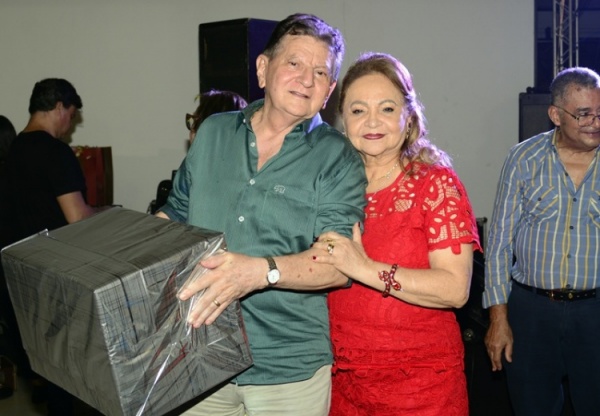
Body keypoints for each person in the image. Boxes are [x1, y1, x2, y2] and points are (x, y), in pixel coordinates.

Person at [157, 13, 366, 416]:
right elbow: (175, 214)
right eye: (294, 63)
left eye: (320, 72)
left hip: (287, 368)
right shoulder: (213, 132)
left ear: (329, 91)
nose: (306, 80)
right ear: (263, 68)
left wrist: (260, 272)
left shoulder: (337, 156)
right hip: (199, 354)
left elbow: (339, 264)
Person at [312, 52, 481, 416]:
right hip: (342, 383)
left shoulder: (435, 184)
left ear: (409, 117)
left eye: (387, 109)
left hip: (420, 387)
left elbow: (455, 289)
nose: (372, 121)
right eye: (358, 110)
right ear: (343, 119)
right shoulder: (330, 184)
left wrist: (364, 268)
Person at [483, 67, 600, 416]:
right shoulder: (523, 158)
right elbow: (499, 244)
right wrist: (498, 319)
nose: (594, 122)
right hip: (532, 312)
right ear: (555, 114)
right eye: (583, 114)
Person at [0, 78, 99, 416]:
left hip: (17, 278)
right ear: (59, 107)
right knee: (66, 377)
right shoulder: (55, 152)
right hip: (55, 279)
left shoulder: (12, 151)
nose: (69, 125)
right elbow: (77, 217)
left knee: (44, 369)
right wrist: (107, 214)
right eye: (70, 115)